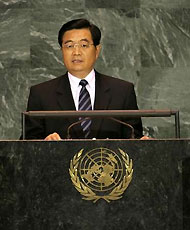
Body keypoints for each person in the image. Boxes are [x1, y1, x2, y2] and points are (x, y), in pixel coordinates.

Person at [24, 18, 144, 140]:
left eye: (84, 45)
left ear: (97, 50)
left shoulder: (122, 91)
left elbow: (134, 139)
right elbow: (25, 145)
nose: (76, 52)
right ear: (62, 51)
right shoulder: (41, 94)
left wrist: (144, 144)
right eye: (69, 46)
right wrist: (44, 144)